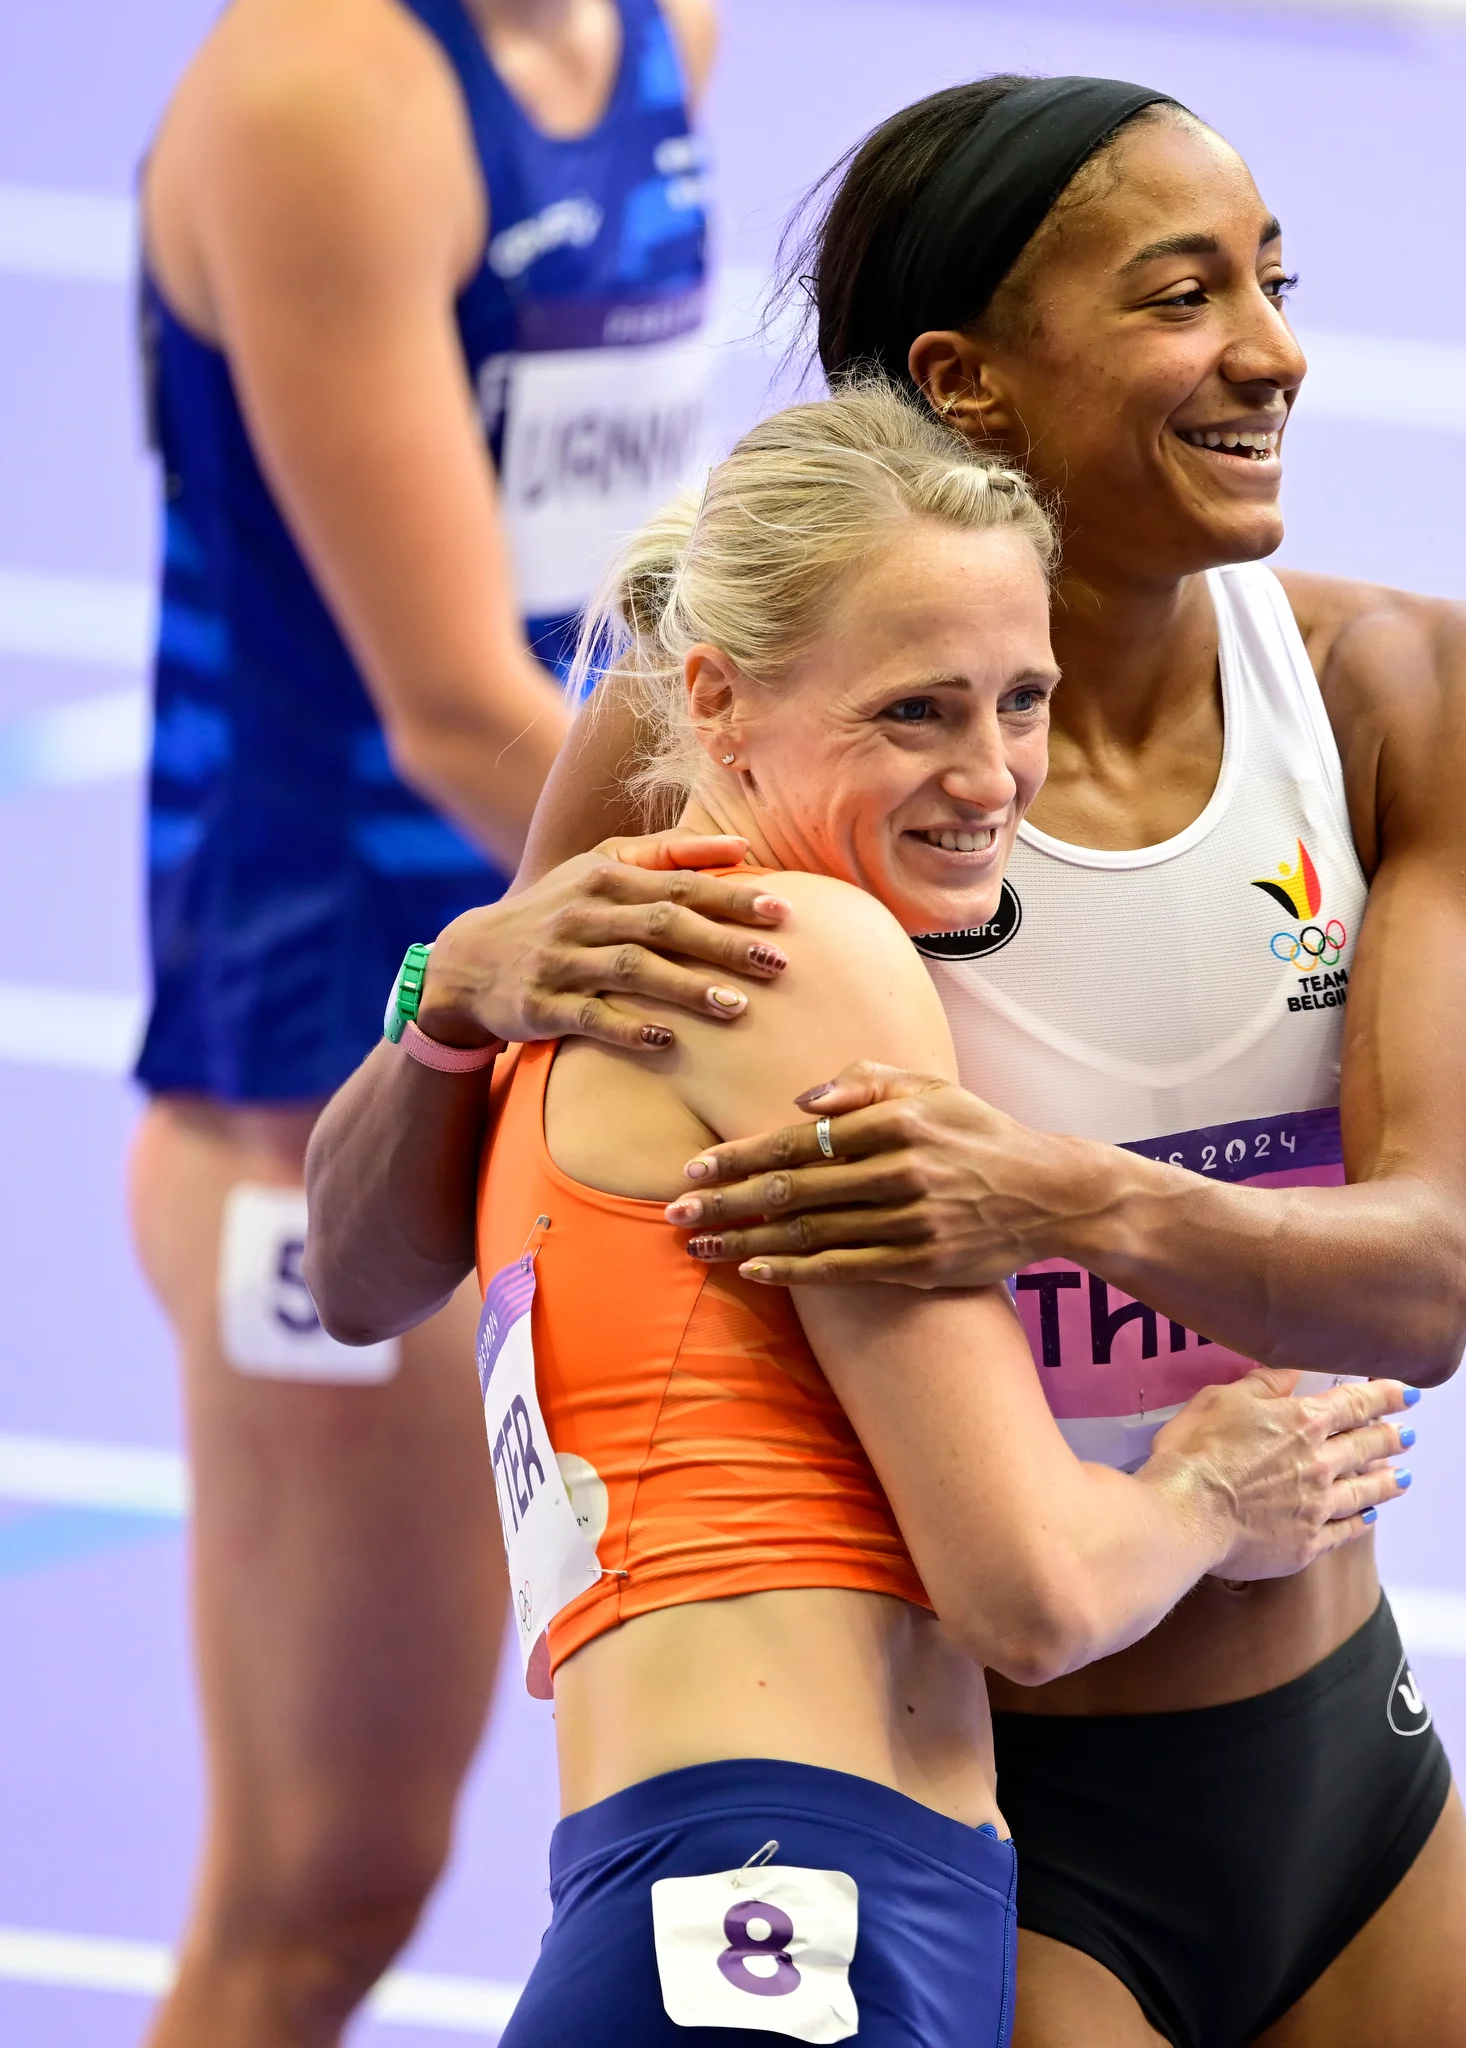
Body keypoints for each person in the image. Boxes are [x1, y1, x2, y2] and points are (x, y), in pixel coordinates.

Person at [308, 75, 1466, 2048]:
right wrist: (449, 997)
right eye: (1184, 297)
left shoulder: (1415, 694)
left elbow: (1425, 1287)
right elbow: (371, 1267)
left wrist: (1047, 1194)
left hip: (1336, 1750)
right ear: (968, 381)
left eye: (1275, 281)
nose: (1273, 351)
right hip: (1004, 1815)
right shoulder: (735, 732)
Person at [485, 380, 1415, 2047]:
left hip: (715, 1875)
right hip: (795, 1890)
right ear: (717, 698)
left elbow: (370, 1268)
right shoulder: (794, 954)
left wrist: (429, 998)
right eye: (917, 711)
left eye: (1023, 701)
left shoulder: (568, 978)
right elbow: (1035, 1597)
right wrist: (1215, 1489)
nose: (995, 778)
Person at [127, 1, 783, 2040]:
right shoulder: (324, 100)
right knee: (323, 1886)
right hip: (334, 1079)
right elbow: (455, 708)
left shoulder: (661, 29)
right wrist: (819, 927)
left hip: (597, 1025)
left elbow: (618, 582)